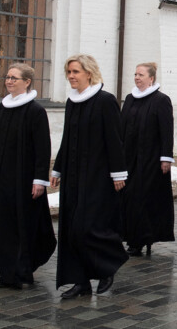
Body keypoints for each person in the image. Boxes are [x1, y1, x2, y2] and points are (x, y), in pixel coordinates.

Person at [51, 54, 128, 299]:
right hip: (73, 176)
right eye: (69, 72)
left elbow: (115, 140)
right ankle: (80, 281)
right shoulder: (72, 102)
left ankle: (107, 266)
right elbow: (67, 137)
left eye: (75, 72)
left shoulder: (105, 101)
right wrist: (57, 168)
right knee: (70, 230)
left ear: (89, 73)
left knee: (88, 227)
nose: (71, 76)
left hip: (98, 176)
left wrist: (118, 173)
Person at [0, 63, 56, 290]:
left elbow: (43, 148)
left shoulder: (35, 111)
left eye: (14, 78)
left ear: (27, 82)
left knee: (22, 224)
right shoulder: (3, 107)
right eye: (7, 77)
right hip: (4, 177)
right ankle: (6, 273)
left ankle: (22, 271)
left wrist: (39, 180)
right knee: (3, 224)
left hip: (25, 179)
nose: (9, 81)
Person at [119, 63, 174, 258]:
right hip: (129, 158)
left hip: (150, 160)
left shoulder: (161, 100)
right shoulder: (130, 99)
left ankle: (141, 239)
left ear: (151, 78)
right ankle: (128, 235)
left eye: (141, 74)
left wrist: (165, 158)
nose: (137, 77)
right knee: (127, 197)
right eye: (135, 74)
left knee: (142, 199)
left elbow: (167, 131)